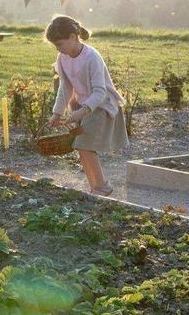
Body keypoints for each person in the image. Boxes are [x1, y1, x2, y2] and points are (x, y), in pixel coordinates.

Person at [46, 15, 128, 196]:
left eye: (60, 44)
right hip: (84, 107)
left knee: (83, 144)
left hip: (101, 106)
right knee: (82, 146)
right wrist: (57, 112)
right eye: (56, 46)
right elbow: (65, 86)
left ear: (74, 37)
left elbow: (100, 92)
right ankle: (96, 188)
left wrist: (82, 111)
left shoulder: (92, 57)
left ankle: (102, 187)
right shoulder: (63, 58)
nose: (58, 48)